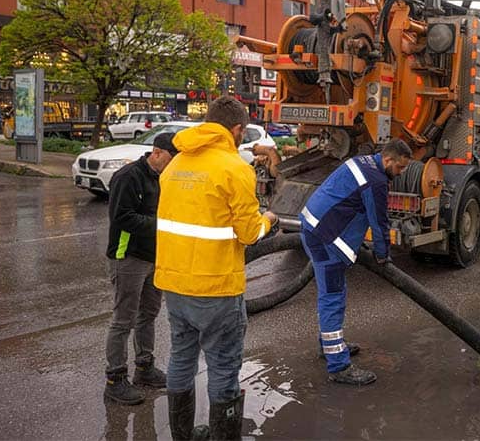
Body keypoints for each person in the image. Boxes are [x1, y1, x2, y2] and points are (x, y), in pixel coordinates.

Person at [154, 96, 276, 440]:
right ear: (237, 130)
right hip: (216, 288)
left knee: (181, 359)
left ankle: (183, 435)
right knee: (223, 368)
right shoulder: (234, 167)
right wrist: (268, 220)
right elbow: (250, 233)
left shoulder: (176, 165)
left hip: (174, 284)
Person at [299, 139, 412, 385]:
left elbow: (349, 203)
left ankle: (330, 345)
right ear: (389, 160)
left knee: (332, 294)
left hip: (313, 227)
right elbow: (379, 222)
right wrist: (382, 256)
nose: (400, 173)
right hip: (326, 239)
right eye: (400, 167)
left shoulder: (362, 162)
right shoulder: (376, 181)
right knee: (333, 297)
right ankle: (338, 366)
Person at [103, 132, 179, 405]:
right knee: (123, 320)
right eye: (171, 159)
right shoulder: (128, 177)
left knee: (148, 314)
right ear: (156, 153)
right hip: (128, 257)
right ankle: (115, 379)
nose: (174, 165)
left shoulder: (164, 178)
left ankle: (144, 368)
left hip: (154, 257)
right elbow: (122, 218)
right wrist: (162, 224)